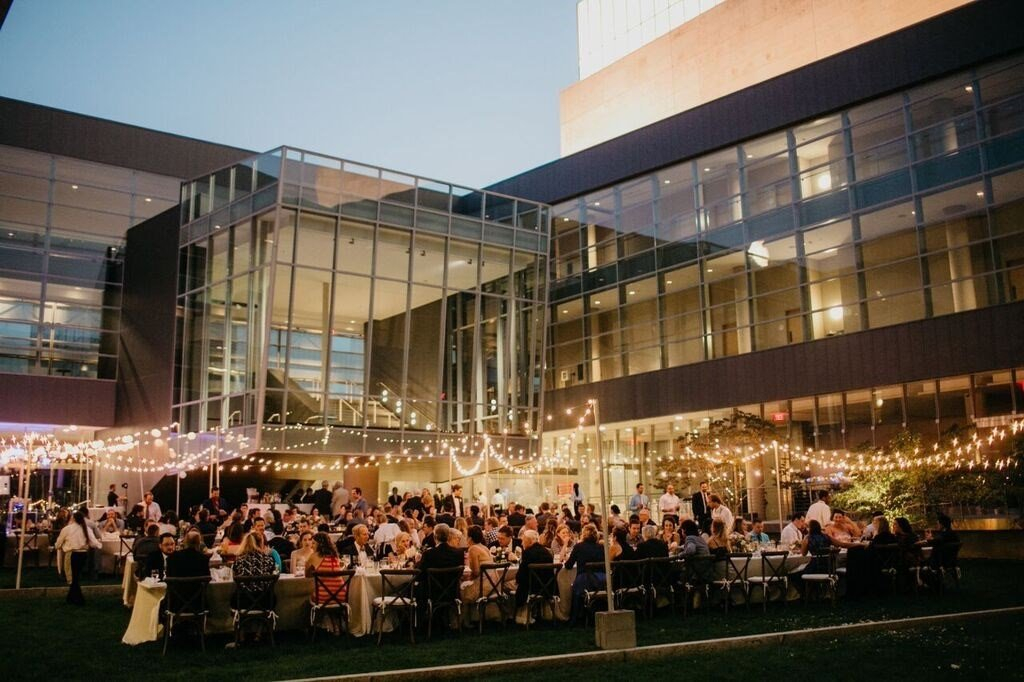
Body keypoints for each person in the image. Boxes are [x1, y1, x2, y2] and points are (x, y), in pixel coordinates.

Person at [54, 510, 101, 605]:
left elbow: (58, 543)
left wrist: (58, 546)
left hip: (72, 554)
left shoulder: (67, 529)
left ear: (73, 518)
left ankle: (79, 599)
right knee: (75, 577)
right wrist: (99, 545)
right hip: (83, 555)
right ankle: (71, 598)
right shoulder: (86, 529)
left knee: (72, 577)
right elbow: (94, 542)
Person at [564, 524, 605, 624]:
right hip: (602, 580)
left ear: (583, 534)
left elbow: (568, 565)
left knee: (574, 587)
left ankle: (575, 616)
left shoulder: (579, 547)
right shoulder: (601, 547)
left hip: (585, 580)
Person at [515, 529, 553, 610]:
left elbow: (520, 576)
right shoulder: (547, 552)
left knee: (507, 584)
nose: (521, 543)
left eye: (523, 541)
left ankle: (514, 613)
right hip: (548, 588)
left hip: (532, 588)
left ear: (529, 541)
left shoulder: (527, 553)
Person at [306, 532, 346, 605]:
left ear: (320, 544)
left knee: (305, 600)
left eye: (314, 543)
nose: (311, 546)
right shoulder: (335, 555)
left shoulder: (314, 556)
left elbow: (307, 575)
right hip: (342, 596)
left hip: (323, 597)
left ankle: (316, 612)